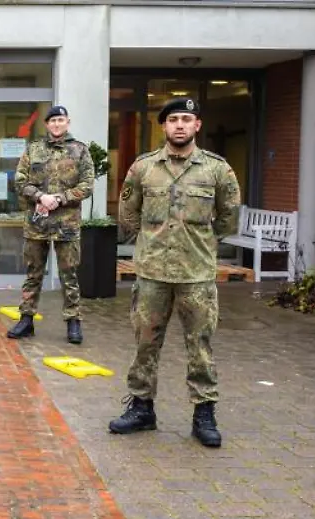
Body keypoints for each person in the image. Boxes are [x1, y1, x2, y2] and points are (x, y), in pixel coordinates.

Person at [109, 97, 241, 448]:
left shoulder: (216, 170)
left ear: (197, 125)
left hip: (196, 275)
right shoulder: (143, 168)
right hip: (152, 273)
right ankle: (141, 408)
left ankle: (204, 413)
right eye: (173, 120)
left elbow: (228, 218)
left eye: (186, 119)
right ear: (163, 126)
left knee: (200, 345)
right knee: (145, 344)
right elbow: (128, 213)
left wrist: (200, 242)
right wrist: (151, 241)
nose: (179, 125)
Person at [8, 105, 94, 344]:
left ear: (68, 122)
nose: (57, 124)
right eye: (53, 120)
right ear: (47, 124)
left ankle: (73, 321)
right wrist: (39, 196)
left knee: (69, 275)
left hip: (67, 225)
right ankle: (26, 319)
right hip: (38, 224)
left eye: (61, 120)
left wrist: (60, 198)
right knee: (33, 273)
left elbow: (87, 185)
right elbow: (20, 182)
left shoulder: (80, 151)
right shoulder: (33, 149)